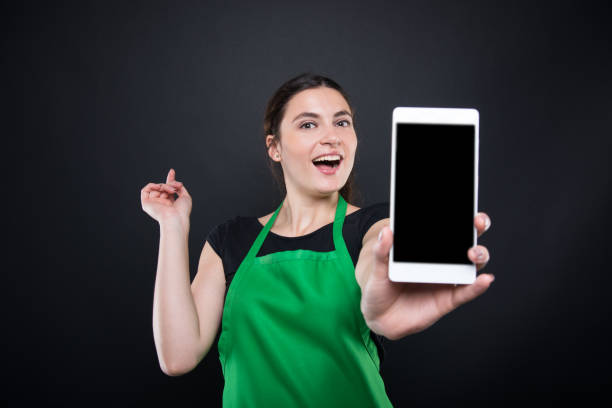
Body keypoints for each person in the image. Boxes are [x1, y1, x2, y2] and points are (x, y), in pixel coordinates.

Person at [140, 73, 493, 407]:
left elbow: (379, 259)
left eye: (342, 122)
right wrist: (172, 227)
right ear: (274, 147)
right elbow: (177, 356)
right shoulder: (230, 240)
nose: (332, 136)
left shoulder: (375, 227)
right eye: (309, 124)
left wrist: (385, 300)